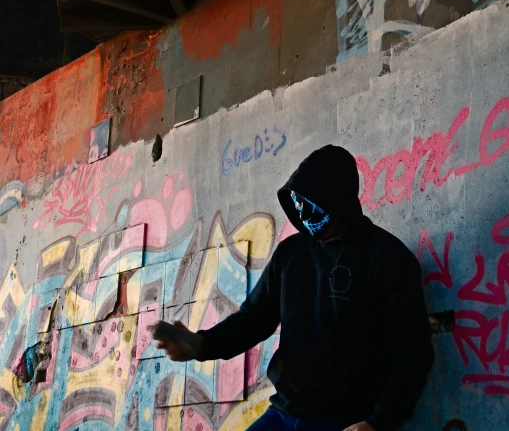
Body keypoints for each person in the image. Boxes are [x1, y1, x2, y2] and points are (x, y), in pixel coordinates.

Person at [153, 145, 434, 431]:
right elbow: (253, 320)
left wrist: (378, 423)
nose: (301, 211)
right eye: (296, 202)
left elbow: (414, 352)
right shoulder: (291, 254)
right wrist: (201, 344)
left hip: (344, 423)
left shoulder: (387, 258)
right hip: (282, 414)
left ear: (337, 200)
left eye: (310, 202)